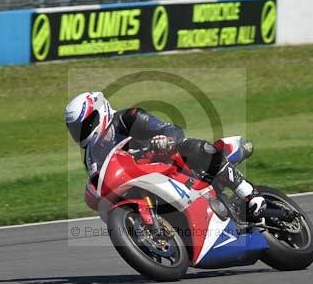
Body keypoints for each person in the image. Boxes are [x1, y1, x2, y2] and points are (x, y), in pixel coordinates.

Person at [65, 91, 265, 219]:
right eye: (76, 129)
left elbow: (172, 130)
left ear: (99, 113)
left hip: (168, 165)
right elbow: (98, 179)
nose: (81, 132)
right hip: (141, 182)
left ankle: (249, 193)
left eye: (85, 125)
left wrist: (164, 140)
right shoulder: (92, 154)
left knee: (194, 147)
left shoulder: (129, 118)